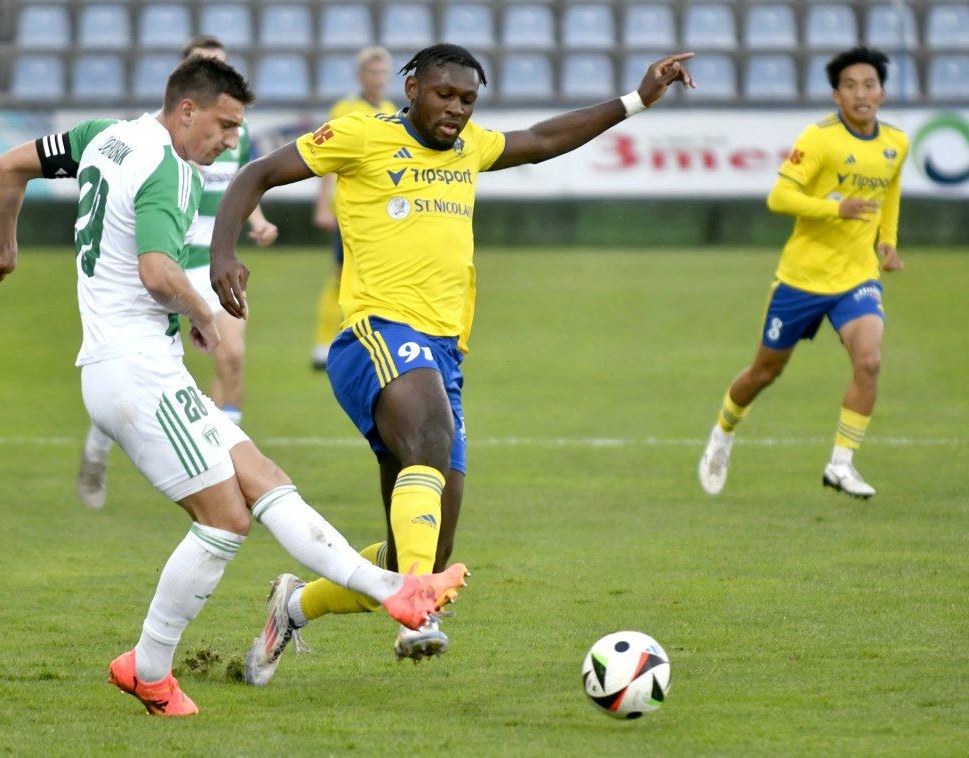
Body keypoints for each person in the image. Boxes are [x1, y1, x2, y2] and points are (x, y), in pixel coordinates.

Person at [0, 55, 467, 716]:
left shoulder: (104, 135)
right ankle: (148, 669)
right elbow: (157, 271)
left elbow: (9, 166)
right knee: (225, 521)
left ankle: (394, 590)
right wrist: (204, 312)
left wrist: (6, 249)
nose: (231, 142)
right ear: (187, 109)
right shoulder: (167, 168)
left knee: (263, 477)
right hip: (136, 372)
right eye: (225, 125)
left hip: (133, 365)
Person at [209, 43, 694, 673]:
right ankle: (421, 611)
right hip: (374, 333)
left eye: (468, 100)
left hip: (443, 354)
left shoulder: (470, 148)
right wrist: (223, 251)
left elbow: (543, 138)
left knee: (426, 551)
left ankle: (295, 608)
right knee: (431, 441)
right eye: (445, 94)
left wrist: (636, 99)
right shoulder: (360, 134)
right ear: (412, 88)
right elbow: (258, 174)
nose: (457, 110)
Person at [76, 35, 278, 510]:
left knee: (231, 357)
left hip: (216, 264)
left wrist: (259, 220)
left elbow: (242, 184)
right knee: (156, 376)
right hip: (169, 262)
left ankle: (227, 467)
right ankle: (97, 448)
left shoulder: (237, 132)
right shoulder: (160, 141)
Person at [697, 46, 908, 500]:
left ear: (883, 93)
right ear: (837, 95)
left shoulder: (896, 142)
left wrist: (887, 240)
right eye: (850, 85)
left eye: (869, 84)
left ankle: (841, 464)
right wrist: (836, 208)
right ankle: (722, 434)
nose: (861, 93)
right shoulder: (819, 139)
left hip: (856, 277)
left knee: (869, 361)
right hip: (802, 278)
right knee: (764, 372)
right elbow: (779, 197)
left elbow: (890, 190)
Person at [311, 46, 397, 370]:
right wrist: (322, 204)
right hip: (351, 208)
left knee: (376, 278)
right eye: (373, 72)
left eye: (383, 72)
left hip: (382, 210)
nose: (378, 78)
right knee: (340, 276)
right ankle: (323, 345)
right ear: (361, 75)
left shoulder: (390, 109)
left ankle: (365, 342)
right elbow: (329, 158)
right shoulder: (346, 108)